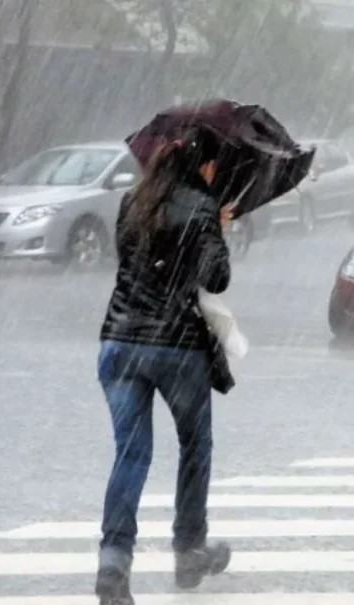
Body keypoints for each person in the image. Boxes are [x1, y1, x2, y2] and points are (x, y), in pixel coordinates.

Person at [95, 124, 235, 605]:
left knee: (131, 455)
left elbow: (133, 261)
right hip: (176, 348)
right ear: (204, 165)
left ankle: (114, 560)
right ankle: (189, 549)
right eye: (214, 165)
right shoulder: (201, 207)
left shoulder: (131, 201)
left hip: (119, 342)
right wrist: (216, 228)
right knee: (195, 445)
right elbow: (217, 277)